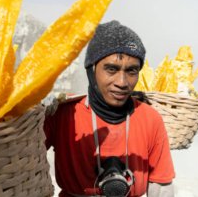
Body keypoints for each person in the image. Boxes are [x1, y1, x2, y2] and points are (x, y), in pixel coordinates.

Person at [44, 20, 175, 197]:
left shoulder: (150, 119)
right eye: (111, 69)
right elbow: (20, 160)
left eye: (131, 71)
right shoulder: (63, 115)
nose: (122, 83)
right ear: (91, 69)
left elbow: (162, 187)